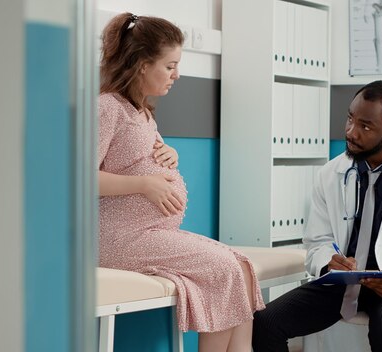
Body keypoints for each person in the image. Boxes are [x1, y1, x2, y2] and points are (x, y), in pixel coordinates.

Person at [252, 80, 382, 352]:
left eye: (366, 126)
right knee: (266, 321)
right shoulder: (331, 174)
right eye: (350, 118)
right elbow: (318, 240)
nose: (351, 132)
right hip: (344, 284)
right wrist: (330, 263)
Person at [98, 13, 265, 352]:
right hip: (119, 238)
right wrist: (145, 184)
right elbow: (77, 178)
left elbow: (134, 158)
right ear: (143, 65)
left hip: (150, 234)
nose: (177, 74)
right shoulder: (106, 108)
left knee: (243, 269)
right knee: (221, 269)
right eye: (170, 65)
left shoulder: (142, 111)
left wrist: (168, 155)